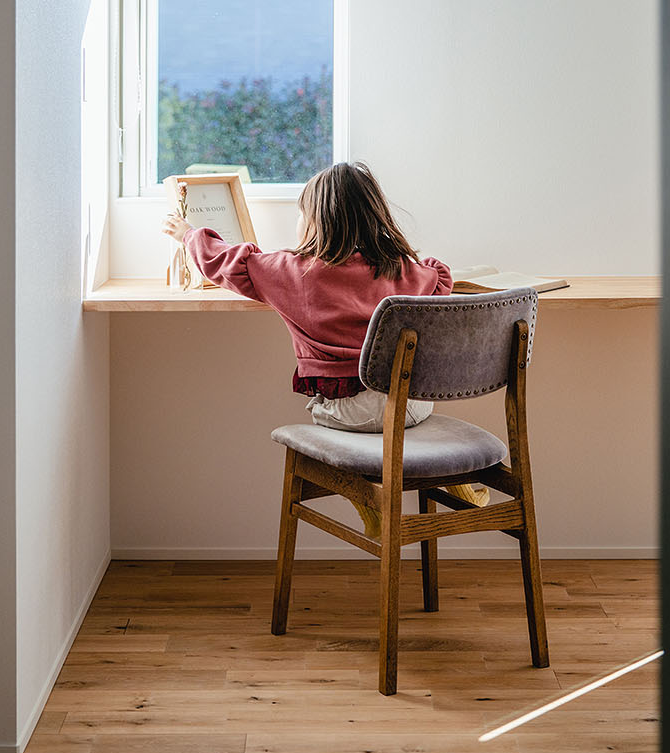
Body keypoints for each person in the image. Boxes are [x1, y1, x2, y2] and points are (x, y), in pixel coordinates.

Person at [162, 161, 488, 536]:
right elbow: (439, 280)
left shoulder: (294, 271)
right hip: (413, 405)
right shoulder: (402, 271)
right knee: (404, 427)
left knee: (325, 415)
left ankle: (371, 502)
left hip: (351, 413)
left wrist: (188, 234)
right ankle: (459, 485)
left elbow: (227, 262)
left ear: (315, 220)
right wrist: (419, 262)